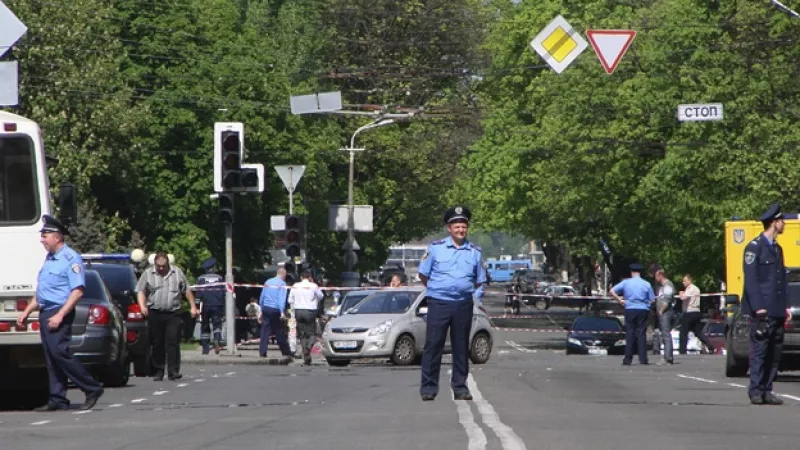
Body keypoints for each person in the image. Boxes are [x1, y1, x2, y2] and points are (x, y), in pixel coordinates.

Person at [16, 215, 104, 411]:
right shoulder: (49, 259)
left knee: (60, 353)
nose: (42, 240)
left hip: (58, 311)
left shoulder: (70, 258)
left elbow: (77, 291)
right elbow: (42, 292)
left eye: (45, 235)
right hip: (46, 311)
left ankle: (91, 387)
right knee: (51, 356)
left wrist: (61, 315)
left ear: (57, 237)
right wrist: (27, 311)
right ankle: (58, 398)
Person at [418, 206, 486, 401]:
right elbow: (423, 274)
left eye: (463, 225)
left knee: (460, 346)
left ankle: (460, 387)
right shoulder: (436, 249)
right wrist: (438, 289)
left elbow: (479, 279)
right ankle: (429, 387)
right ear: (449, 228)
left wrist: (467, 292)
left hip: (462, 304)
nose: (460, 229)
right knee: (433, 345)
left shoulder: (474, 252)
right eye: (456, 225)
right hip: (439, 303)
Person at [742, 202, 790, 405]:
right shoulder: (754, 248)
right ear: (774, 222)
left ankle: (767, 389)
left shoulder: (777, 249)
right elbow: (751, 280)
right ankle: (755, 390)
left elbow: (781, 280)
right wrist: (759, 307)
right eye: (781, 221)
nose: (784, 224)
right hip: (762, 309)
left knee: (774, 352)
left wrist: (785, 306)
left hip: (777, 308)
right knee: (760, 351)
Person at [136, 252, 198, 381]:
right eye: (158, 266)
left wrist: (193, 306)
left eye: (163, 266)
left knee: (172, 340)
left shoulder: (177, 273)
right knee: (157, 342)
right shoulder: (148, 273)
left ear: (168, 264)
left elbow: (186, 290)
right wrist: (142, 306)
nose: (161, 268)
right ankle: (159, 370)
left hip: (173, 313)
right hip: (155, 312)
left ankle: (173, 371)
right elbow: (141, 290)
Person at [609, 263, 655, 365]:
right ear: (640, 272)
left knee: (630, 333)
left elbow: (612, 291)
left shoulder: (626, 283)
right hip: (643, 309)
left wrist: (620, 300)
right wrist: (646, 304)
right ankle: (643, 359)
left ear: (631, 272)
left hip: (630, 308)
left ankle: (628, 359)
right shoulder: (646, 284)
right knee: (641, 334)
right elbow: (652, 300)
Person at [288, 270, 323, 365]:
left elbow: (290, 299)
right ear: (310, 277)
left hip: (298, 311)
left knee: (302, 334)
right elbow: (321, 296)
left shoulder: (295, 285)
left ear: (301, 277)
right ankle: (308, 347)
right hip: (310, 311)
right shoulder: (313, 286)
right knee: (312, 333)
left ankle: (306, 357)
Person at [258, 268, 292, 359]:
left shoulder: (268, 281)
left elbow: (262, 297)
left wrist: (261, 309)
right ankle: (286, 352)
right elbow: (281, 299)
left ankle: (262, 352)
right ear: (283, 275)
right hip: (276, 309)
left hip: (266, 308)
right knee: (279, 331)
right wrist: (282, 312)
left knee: (265, 331)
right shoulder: (282, 284)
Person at [678, 274, 715, 355]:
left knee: (683, 332)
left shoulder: (691, 288)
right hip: (697, 312)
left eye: (685, 281)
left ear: (689, 280)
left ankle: (682, 351)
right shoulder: (696, 289)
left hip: (690, 312)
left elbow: (683, 297)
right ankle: (710, 346)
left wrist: (681, 293)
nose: (683, 282)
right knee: (698, 332)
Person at [195, 257, 225, 355]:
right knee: (217, 325)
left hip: (206, 305)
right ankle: (217, 340)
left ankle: (205, 348)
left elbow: (198, 293)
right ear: (213, 267)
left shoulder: (201, 278)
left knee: (205, 326)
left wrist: (196, 306)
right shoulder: (220, 278)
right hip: (217, 305)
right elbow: (223, 292)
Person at [653, 267, 676, 365]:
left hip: (666, 313)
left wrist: (661, 310)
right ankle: (667, 357)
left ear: (660, 275)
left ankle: (668, 358)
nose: (655, 278)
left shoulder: (667, 285)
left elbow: (667, 299)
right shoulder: (662, 286)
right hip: (663, 312)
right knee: (664, 334)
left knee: (666, 334)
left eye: (656, 276)